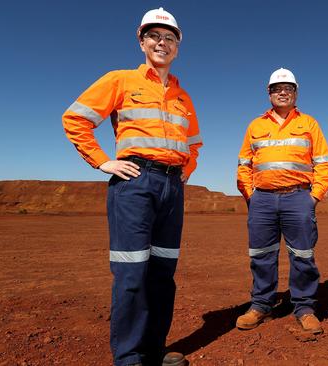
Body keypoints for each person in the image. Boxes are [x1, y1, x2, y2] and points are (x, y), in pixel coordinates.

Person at [62, 7, 201, 366]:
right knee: (132, 274)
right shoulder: (121, 80)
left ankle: (153, 351)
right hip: (136, 182)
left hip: (172, 187)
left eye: (170, 38)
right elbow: (76, 118)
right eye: (155, 36)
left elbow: (194, 142)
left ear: (178, 47)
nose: (162, 43)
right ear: (141, 42)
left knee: (162, 274)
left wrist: (187, 168)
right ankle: (128, 359)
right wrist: (102, 160)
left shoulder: (183, 97)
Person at [235, 68, 328, 334]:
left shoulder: (309, 124)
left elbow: (323, 163)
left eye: (288, 88)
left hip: (298, 198)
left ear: (295, 93)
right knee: (261, 255)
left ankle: (304, 307)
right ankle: (261, 305)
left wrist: (312, 198)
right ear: (269, 93)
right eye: (277, 88)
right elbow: (244, 164)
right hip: (263, 201)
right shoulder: (256, 125)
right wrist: (251, 196)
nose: (282, 92)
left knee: (302, 255)